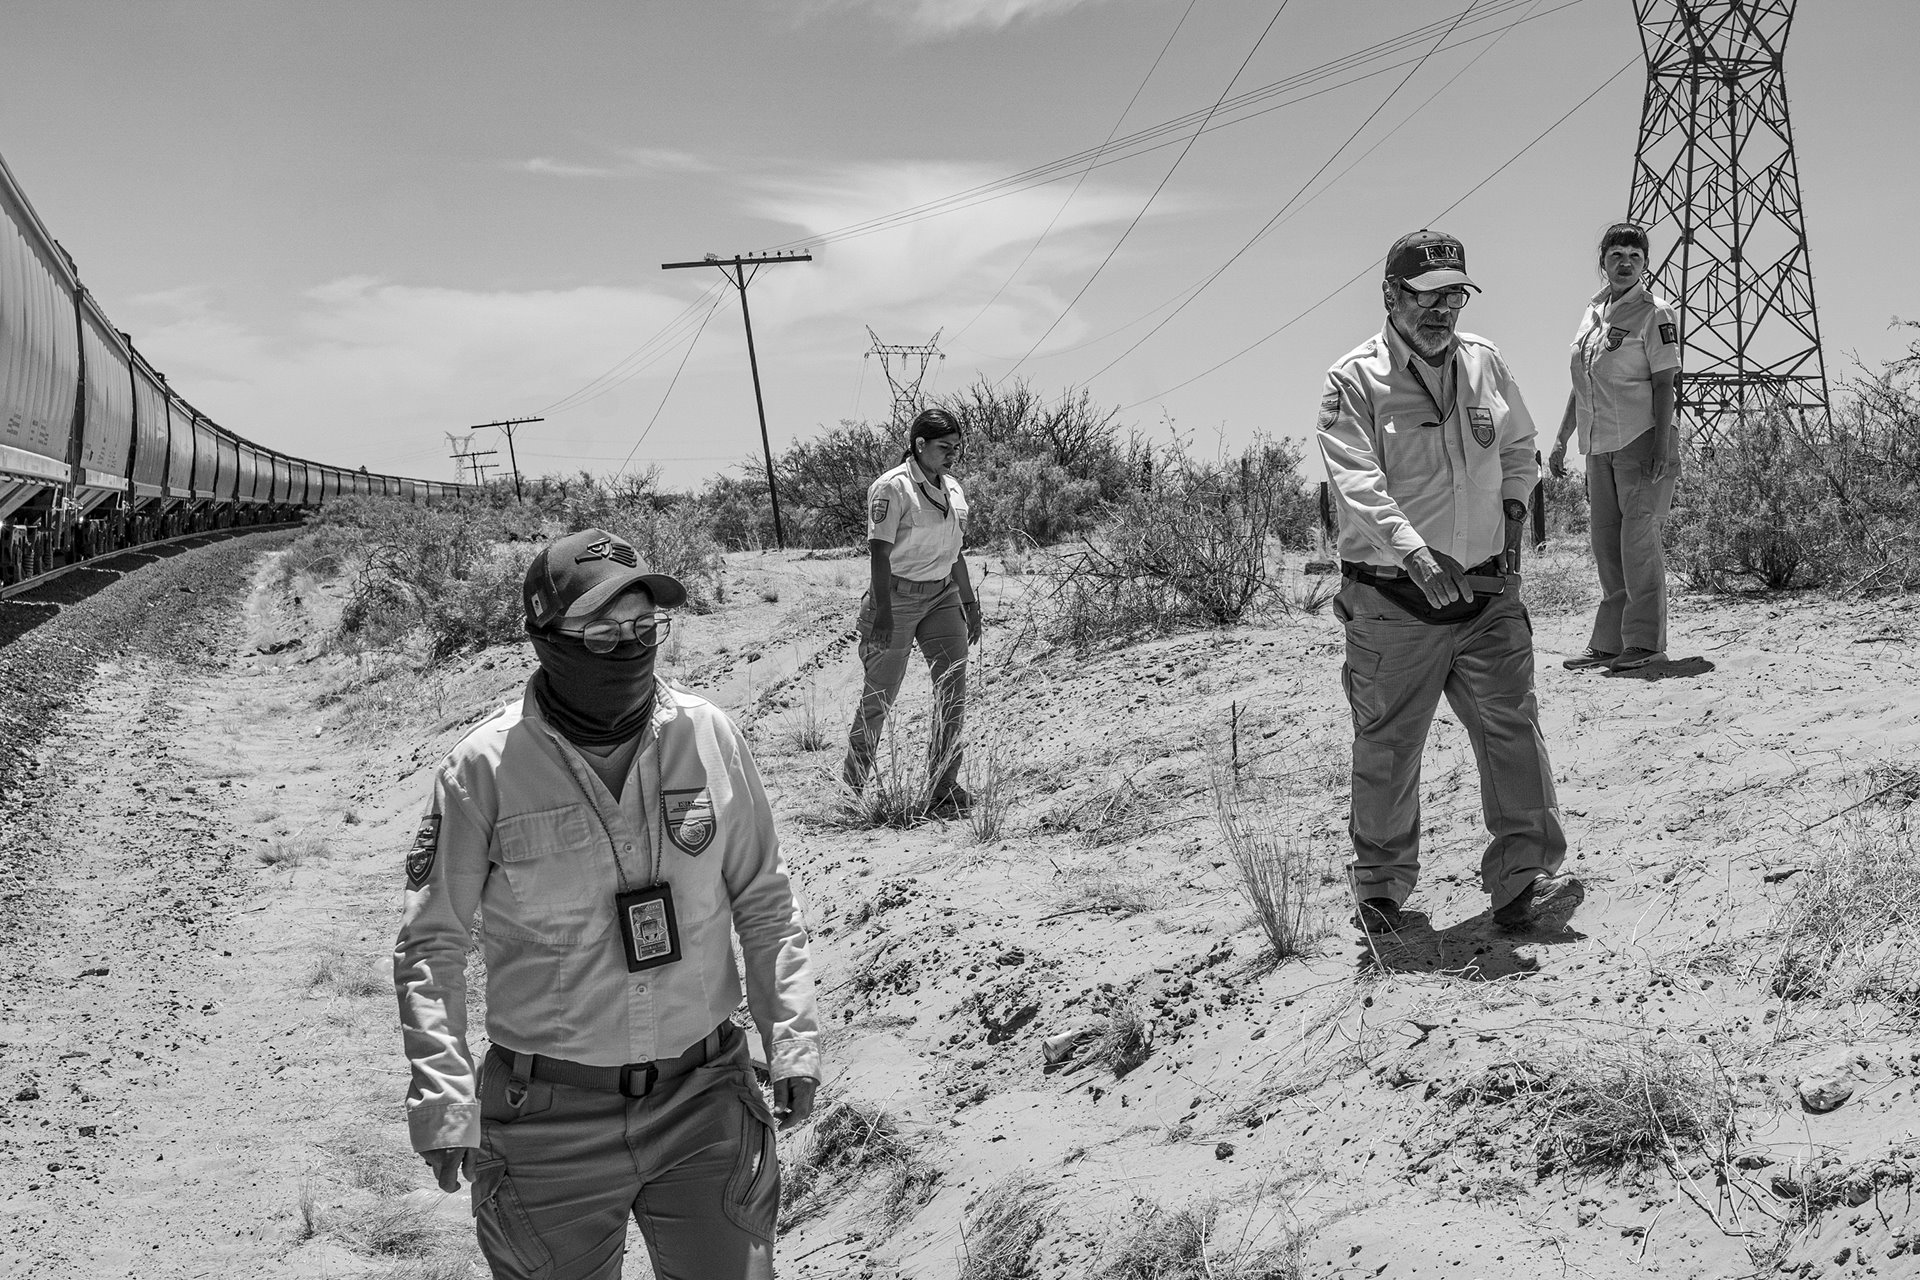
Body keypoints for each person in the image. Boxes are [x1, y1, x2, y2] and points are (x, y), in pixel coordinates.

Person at [394, 527, 820, 1280]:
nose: (628, 648)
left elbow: (764, 898)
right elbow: (432, 944)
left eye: (643, 629)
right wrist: (442, 1095)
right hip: (547, 1124)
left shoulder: (708, 733)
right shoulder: (482, 770)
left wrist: (793, 1037)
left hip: (705, 1100)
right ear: (545, 639)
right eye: (601, 632)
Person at [1317, 229, 1579, 935]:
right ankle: (1380, 889)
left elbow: (1519, 445)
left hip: (1489, 596)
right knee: (1388, 746)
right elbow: (1359, 484)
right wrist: (1413, 553)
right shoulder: (1353, 380)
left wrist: (1517, 508)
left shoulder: (1485, 363)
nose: (1443, 311)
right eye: (1428, 298)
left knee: (1511, 732)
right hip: (1392, 602)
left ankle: (1522, 879)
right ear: (1391, 296)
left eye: (1454, 296)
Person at [1548, 222, 1683, 673]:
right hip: (1598, 444)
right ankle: (1608, 644)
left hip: (1642, 441)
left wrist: (1661, 445)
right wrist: (1562, 438)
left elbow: (1665, 383)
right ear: (1602, 262)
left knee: (1637, 542)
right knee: (1607, 545)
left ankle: (1645, 644)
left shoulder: (1654, 313)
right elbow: (1583, 380)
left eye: (1634, 257)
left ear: (1646, 263)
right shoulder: (1593, 312)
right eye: (1616, 256)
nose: (1624, 264)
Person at [841, 407, 982, 817]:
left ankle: (942, 787)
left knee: (953, 691)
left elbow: (956, 552)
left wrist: (969, 602)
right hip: (896, 599)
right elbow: (879, 554)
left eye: (956, 447)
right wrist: (882, 613)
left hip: (942, 597)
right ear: (919, 445)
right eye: (944, 447)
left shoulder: (952, 488)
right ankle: (851, 792)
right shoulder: (892, 488)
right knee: (878, 698)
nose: (951, 454)